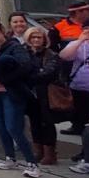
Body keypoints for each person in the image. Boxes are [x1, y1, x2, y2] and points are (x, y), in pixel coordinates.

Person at [0, 20, 41, 177]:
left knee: (13, 127)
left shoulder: (15, 47)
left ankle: (32, 163)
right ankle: (10, 158)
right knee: (1, 126)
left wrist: (3, 80)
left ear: (2, 30)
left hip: (10, 91)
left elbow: (25, 67)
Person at [24, 25, 62, 165]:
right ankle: (37, 151)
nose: (36, 40)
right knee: (34, 123)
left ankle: (50, 153)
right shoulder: (25, 53)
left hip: (46, 94)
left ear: (44, 39)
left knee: (47, 123)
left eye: (39, 37)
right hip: (30, 94)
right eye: (33, 37)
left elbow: (48, 73)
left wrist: (30, 75)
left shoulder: (51, 55)